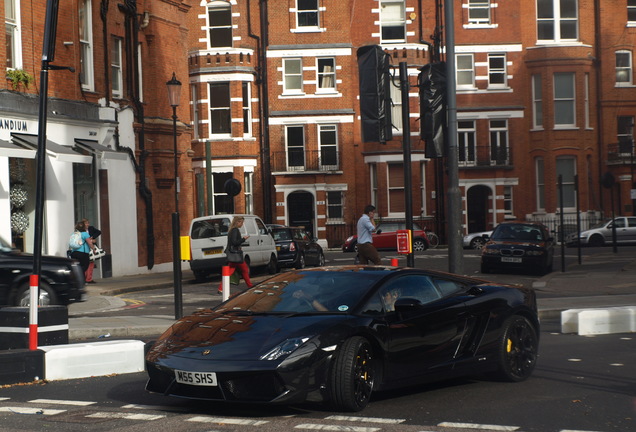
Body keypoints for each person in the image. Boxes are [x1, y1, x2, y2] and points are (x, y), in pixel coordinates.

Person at [218, 216, 253, 293]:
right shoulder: (235, 230)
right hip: (235, 255)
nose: (242, 224)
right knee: (244, 269)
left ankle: (221, 288)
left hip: (233, 254)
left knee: (232, 270)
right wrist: (243, 239)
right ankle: (250, 286)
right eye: (241, 222)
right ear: (237, 222)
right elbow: (234, 242)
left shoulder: (231, 230)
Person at [82, 218, 102, 284]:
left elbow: (99, 232)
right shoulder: (81, 231)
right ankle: (84, 279)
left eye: (88, 223)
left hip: (91, 248)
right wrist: (89, 241)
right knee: (85, 264)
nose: (87, 224)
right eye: (86, 223)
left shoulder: (91, 228)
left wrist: (92, 237)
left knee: (91, 264)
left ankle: (89, 279)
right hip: (84, 249)